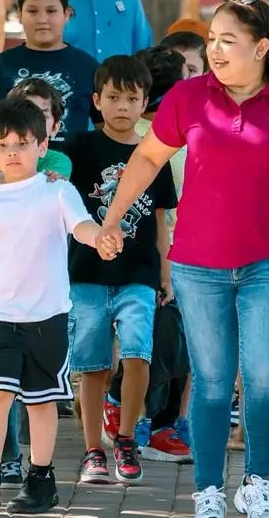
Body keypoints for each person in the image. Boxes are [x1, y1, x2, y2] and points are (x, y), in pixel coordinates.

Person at [93, 0, 269, 518]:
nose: (215, 50)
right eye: (212, 39)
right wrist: (113, 218)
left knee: (263, 379)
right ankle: (208, 491)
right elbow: (146, 159)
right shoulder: (189, 98)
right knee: (212, 383)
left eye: (228, 41)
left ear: (261, 47)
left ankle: (256, 484)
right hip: (199, 266)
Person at [0, 97, 118, 514]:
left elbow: (82, 226)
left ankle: (40, 479)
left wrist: (102, 238)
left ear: (43, 145)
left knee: (41, 400)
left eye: (23, 144)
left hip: (48, 317)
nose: (13, 153)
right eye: (3, 146)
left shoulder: (58, 190)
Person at [57, 56, 177, 486]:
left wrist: (165, 271)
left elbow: (160, 219)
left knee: (137, 354)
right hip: (86, 272)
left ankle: (125, 438)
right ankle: (93, 449)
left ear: (145, 103)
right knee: (91, 364)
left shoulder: (153, 155)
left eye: (131, 99)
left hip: (139, 272)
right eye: (113, 97)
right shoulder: (77, 150)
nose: (122, 106)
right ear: (97, 100)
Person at [0, 0, 99, 160]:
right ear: (20, 14)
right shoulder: (1, 65)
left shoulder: (87, 66)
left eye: (51, 11)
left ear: (66, 14)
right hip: (12, 178)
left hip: (74, 178)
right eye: (32, 11)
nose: (42, 20)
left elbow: (105, 125)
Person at [0, 78, 74, 182]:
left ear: (55, 128)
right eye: (25, 114)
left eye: (42, 115)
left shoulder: (58, 161)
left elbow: (42, 186)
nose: (33, 121)